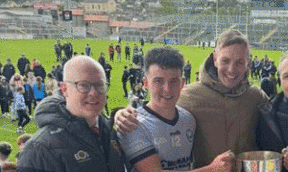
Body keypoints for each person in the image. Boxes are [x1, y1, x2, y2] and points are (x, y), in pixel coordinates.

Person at [115, 30, 269, 169]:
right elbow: (157, 107)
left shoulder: (256, 97)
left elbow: (279, 118)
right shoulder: (189, 95)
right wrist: (120, 114)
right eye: (225, 61)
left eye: (239, 62)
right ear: (215, 59)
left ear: (248, 63)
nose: (231, 69)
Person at [118, 47, 234, 171]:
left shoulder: (188, 119)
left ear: (182, 83)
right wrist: (212, 169)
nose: (167, 89)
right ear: (145, 83)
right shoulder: (132, 124)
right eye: (158, 81)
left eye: (173, 81)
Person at [17, 56, 125, 172]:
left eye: (99, 85)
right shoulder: (40, 149)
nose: (93, 93)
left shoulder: (111, 133)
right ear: (64, 89)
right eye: (83, 85)